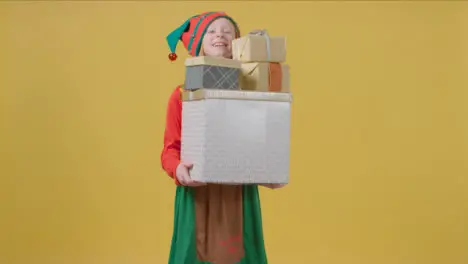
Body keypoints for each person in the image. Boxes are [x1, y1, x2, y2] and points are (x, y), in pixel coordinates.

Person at [161, 12, 285, 264]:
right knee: (194, 254)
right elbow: (169, 150)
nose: (220, 35)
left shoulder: (253, 91)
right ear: (197, 44)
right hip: (197, 193)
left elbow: (261, 140)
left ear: (237, 44)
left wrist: (271, 171)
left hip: (238, 192)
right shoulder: (182, 94)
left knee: (240, 254)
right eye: (212, 31)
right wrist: (178, 169)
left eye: (227, 32)